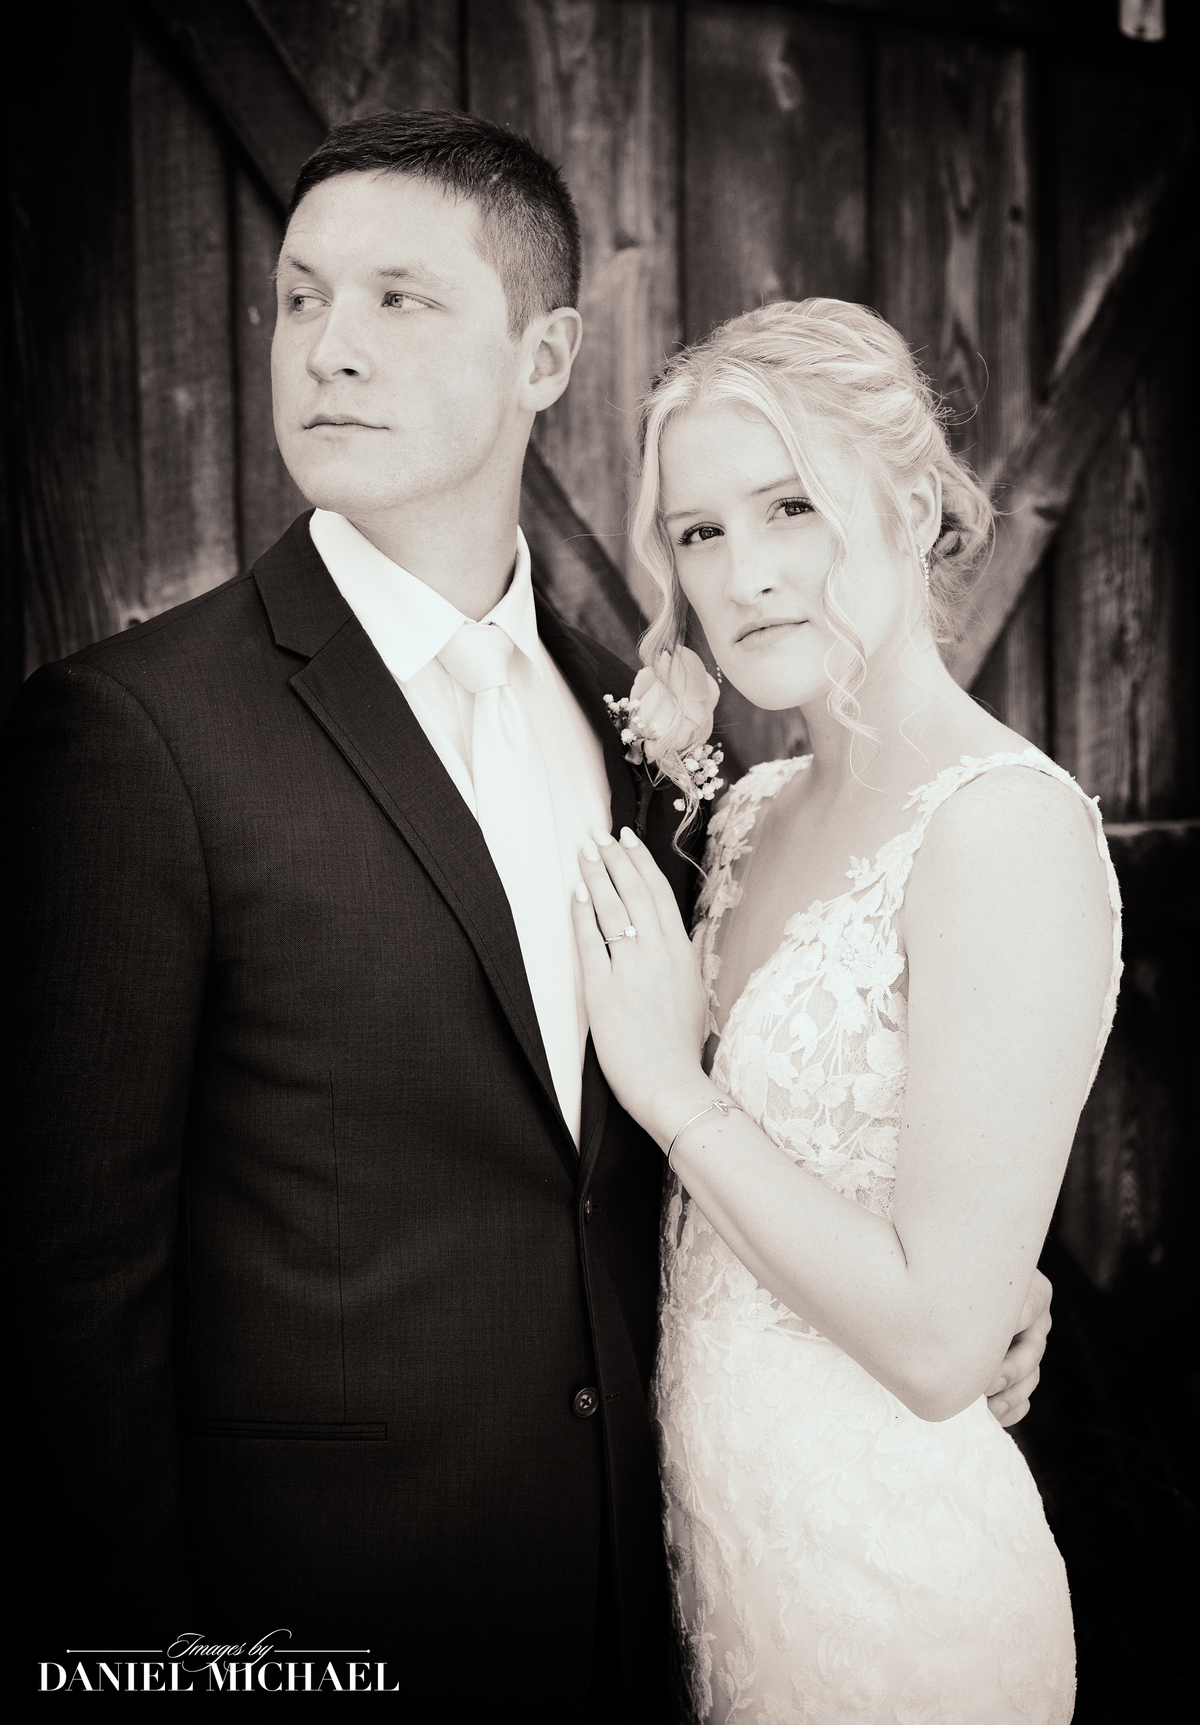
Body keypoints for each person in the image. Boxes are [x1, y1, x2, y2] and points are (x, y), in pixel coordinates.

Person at [5, 115, 1050, 1721]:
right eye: (300, 299)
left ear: (546, 352)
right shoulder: (138, 738)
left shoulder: (639, 735)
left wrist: (966, 1288)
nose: (328, 349)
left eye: (401, 301)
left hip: (660, 1611)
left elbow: (658, 1146)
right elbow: (68, 1310)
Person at [571, 299, 1121, 1723]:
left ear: (920, 507)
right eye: (698, 533)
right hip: (716, 1570)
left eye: (790, 507)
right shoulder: (747, 816)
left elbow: (941, 1346)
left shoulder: (1006, 832)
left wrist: (670, 1088)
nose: (743, 574)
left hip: (892, 1607)